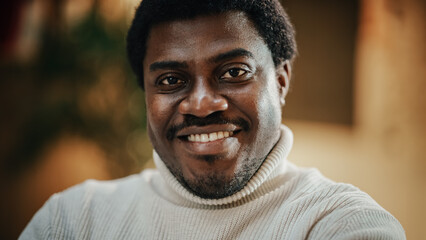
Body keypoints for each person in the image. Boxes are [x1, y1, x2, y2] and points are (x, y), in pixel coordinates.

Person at [20, 0, 405, 239]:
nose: (202, 105)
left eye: (234, 72)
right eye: (171, 81)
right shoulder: (73, 221)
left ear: (282, 81)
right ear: (147, 96)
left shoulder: (339, 224)